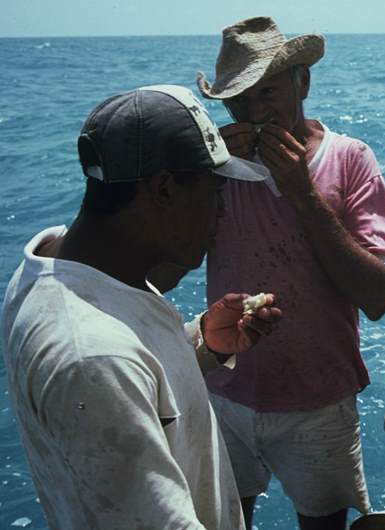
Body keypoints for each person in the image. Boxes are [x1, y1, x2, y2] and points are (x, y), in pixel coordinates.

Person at [1, 85, 283, 530]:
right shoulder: (94, 357)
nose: (223, 211)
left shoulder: (54, 267)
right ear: (165, 189)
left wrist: (204, 343)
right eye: (215, 190)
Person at [196, 16, 385, 530]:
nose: (254, 113)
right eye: (238, 102)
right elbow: (167, 258)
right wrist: (202, 176)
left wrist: (303, 194)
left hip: (318, 401)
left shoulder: (350, 159)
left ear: (302, 83)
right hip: (223, 391)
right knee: (224, 520)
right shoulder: (212, 167)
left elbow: (376, 296)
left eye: (267, 94)